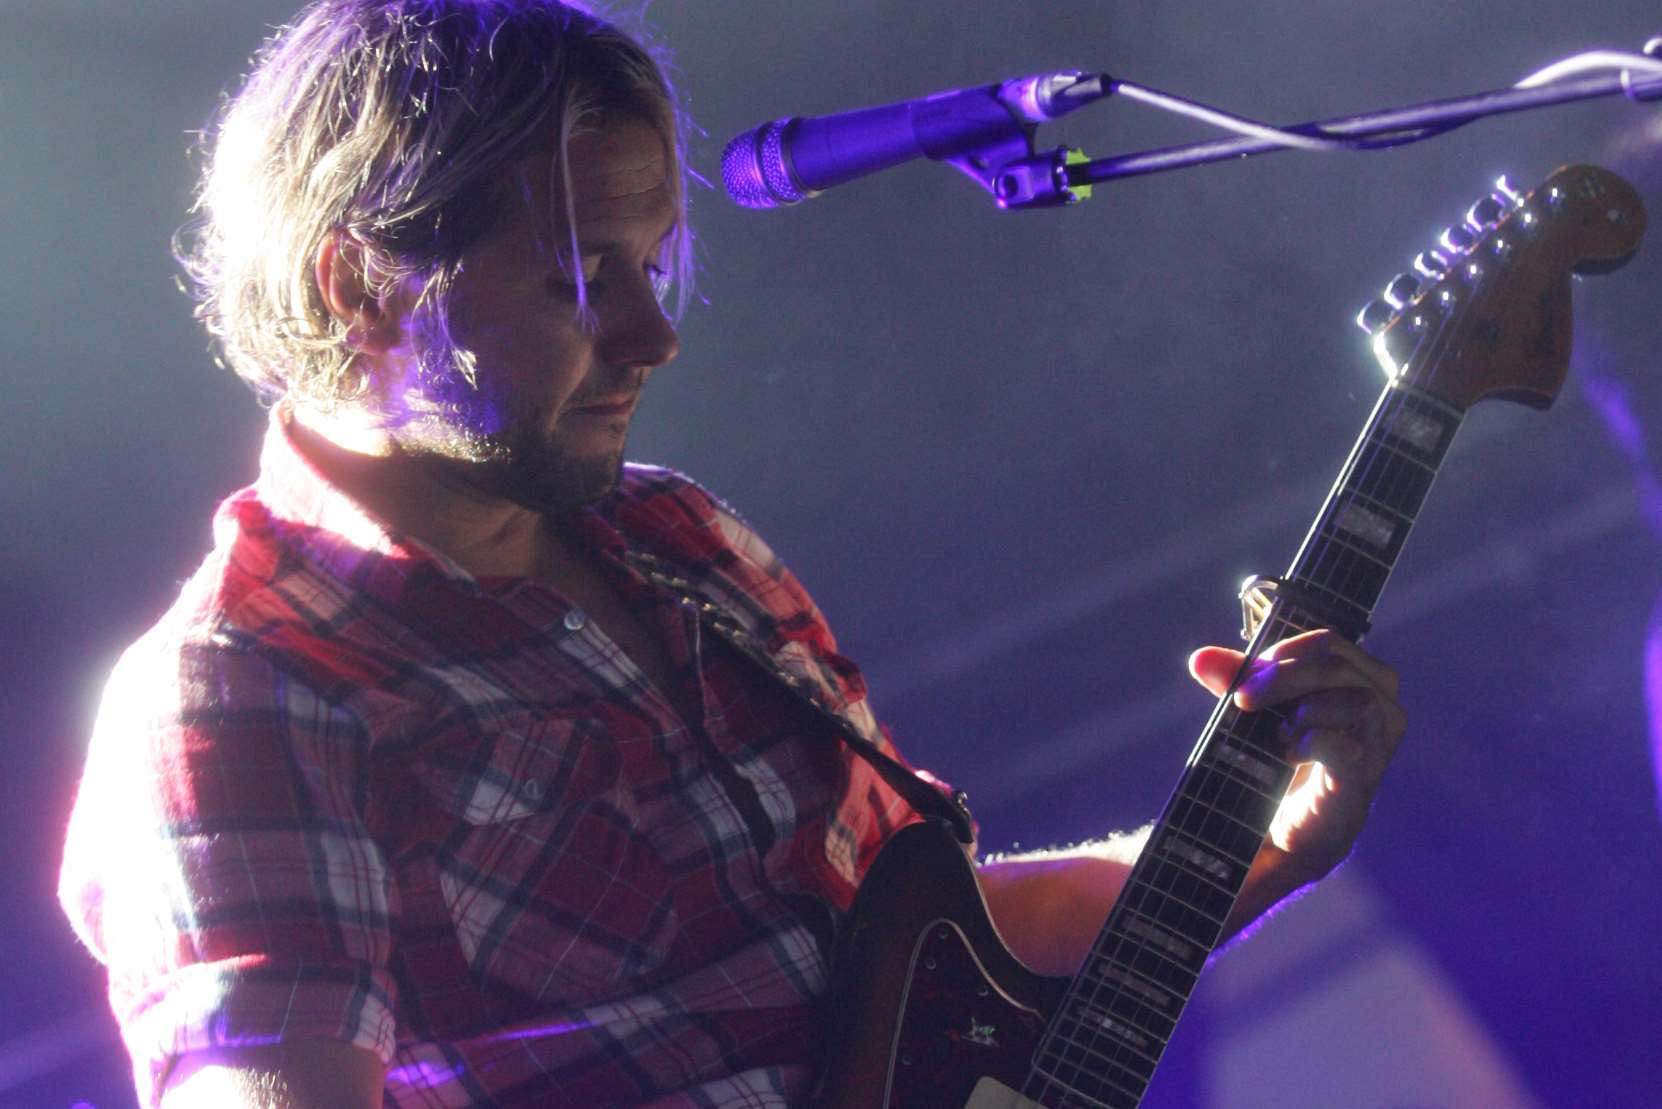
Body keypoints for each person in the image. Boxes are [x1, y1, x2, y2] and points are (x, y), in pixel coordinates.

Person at [57, 2, 1407, 1106]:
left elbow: (926, 963)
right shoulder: (245, 690)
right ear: (363, 285)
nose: (654, 337)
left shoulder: (681, 535)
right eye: (583, 278)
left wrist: (1271, 845)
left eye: (657, 265)